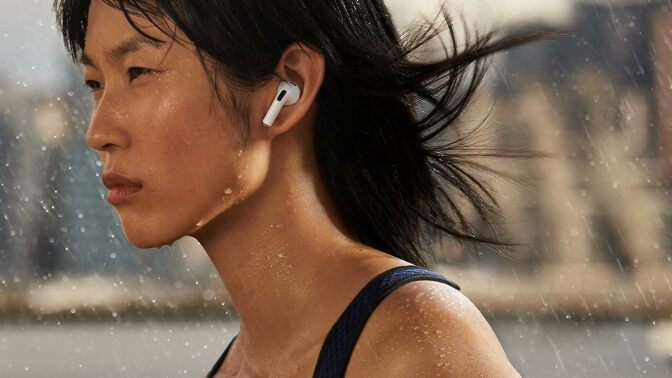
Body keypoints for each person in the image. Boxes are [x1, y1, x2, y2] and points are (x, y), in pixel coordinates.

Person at [53, 0, 547, 376]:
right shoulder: (245, 363)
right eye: (96, 84)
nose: (99, 132)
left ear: (284, 90)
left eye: (138, 72)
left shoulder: (418, 346)